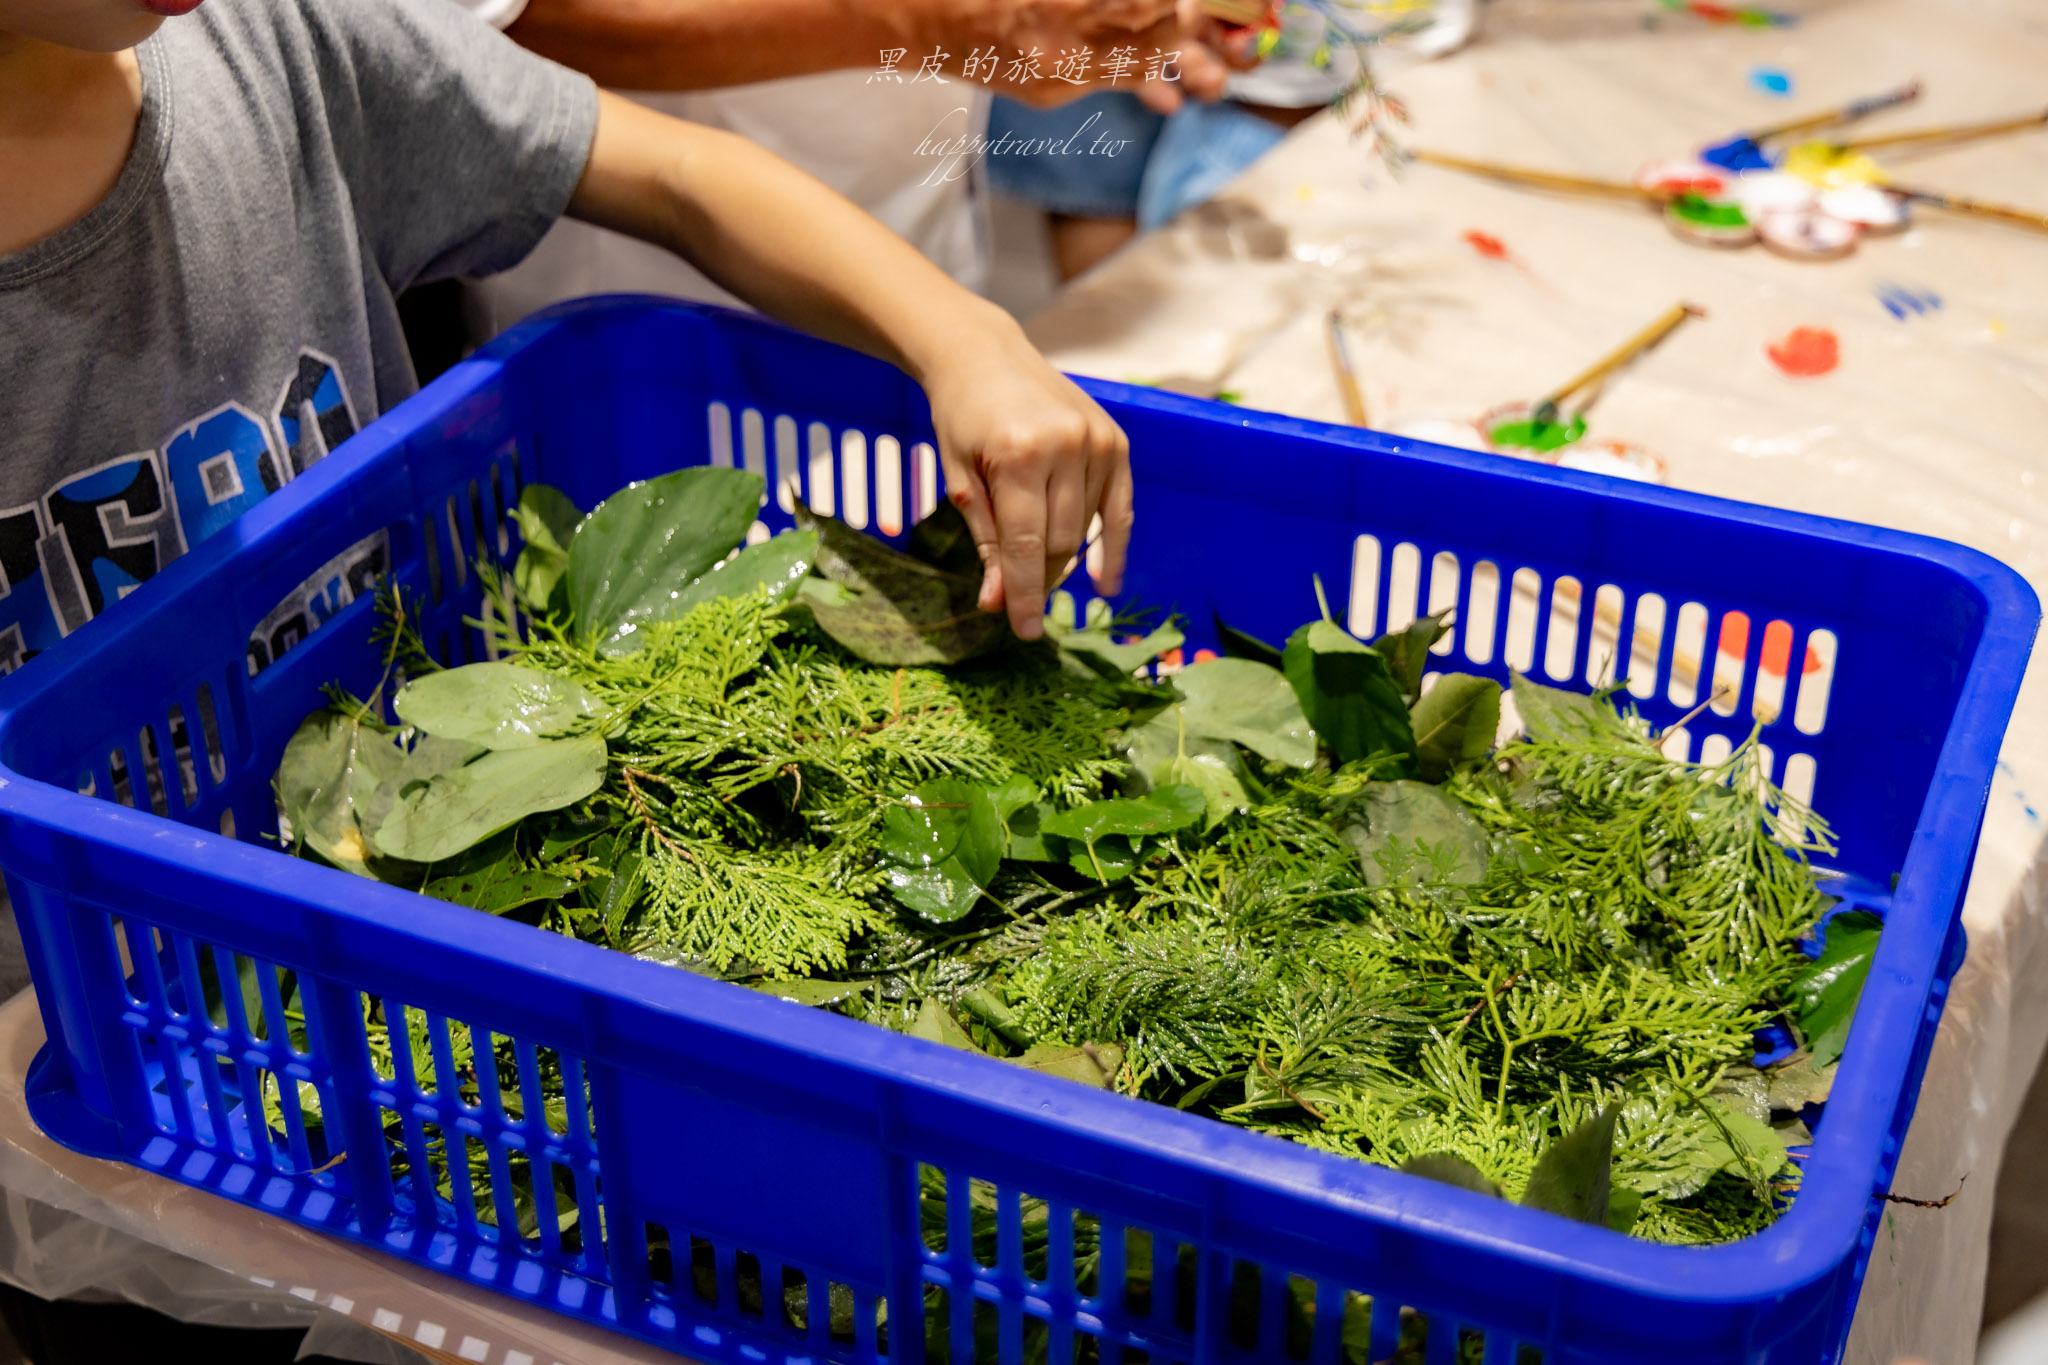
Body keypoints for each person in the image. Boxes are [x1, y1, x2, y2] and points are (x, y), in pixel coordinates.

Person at [451, 0, 1239, 331]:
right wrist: (926, 21)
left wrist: (1121, 25)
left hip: (930, 273)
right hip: (660, 323)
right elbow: (509, 25)